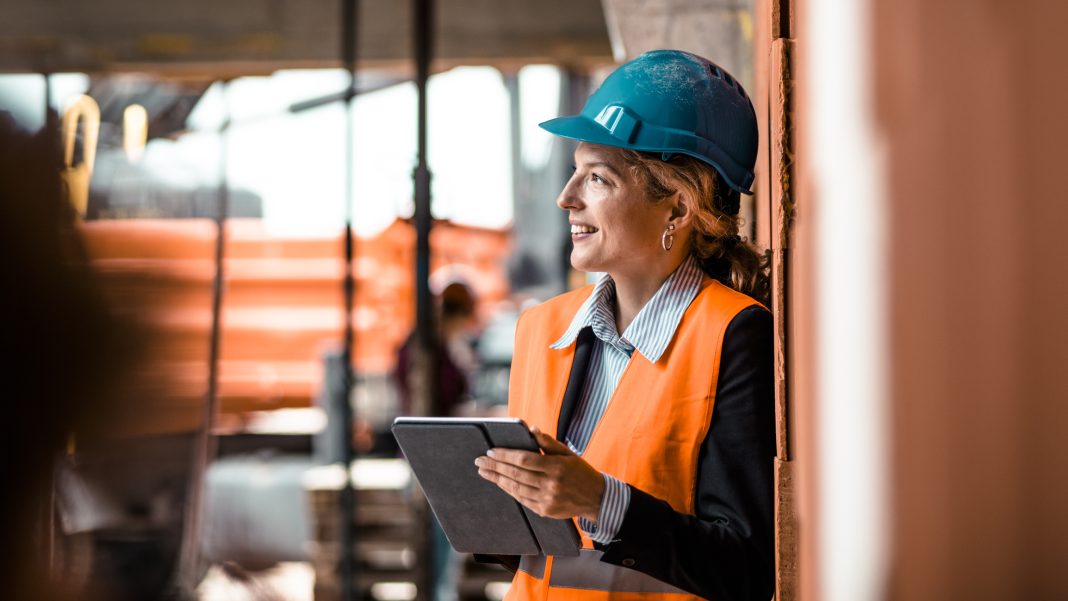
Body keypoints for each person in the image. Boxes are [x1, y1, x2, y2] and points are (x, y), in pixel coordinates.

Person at [473, 50, 775, 601]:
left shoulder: (733, 336)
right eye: (573, 173)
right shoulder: (539, 330)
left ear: (678, 210)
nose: (567, 199)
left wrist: (599, 501)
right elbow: (534, 553)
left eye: (598, 179)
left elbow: (747, 571)